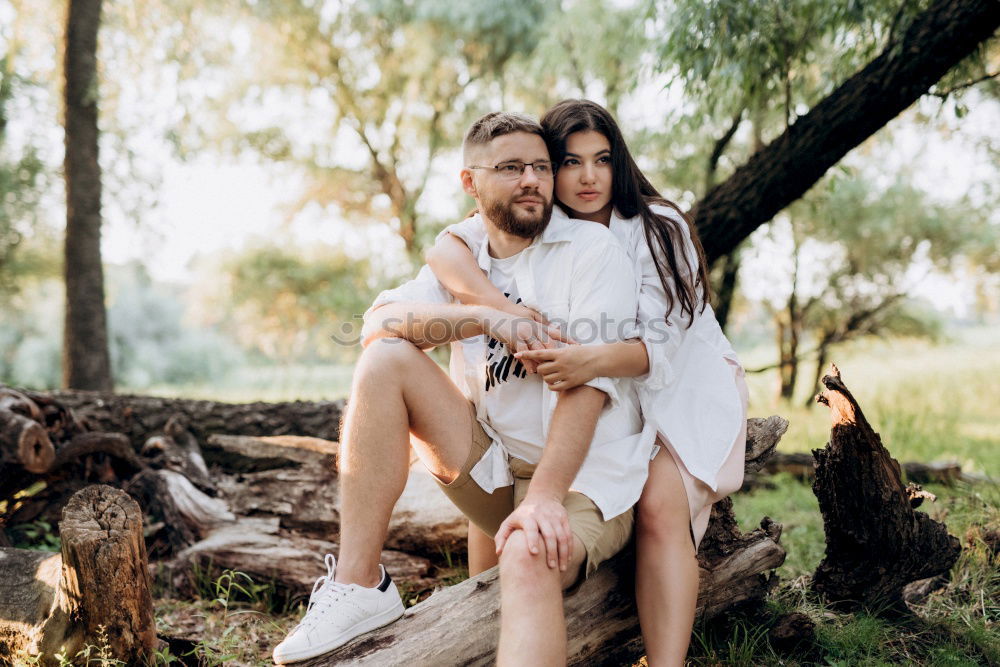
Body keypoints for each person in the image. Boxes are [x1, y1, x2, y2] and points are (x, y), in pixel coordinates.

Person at [272, 111, 649, 665]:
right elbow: (377, 324)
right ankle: (360, 586)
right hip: (494, 466)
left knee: (529, 551)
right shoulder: (465, 250)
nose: (532, 180)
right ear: (471, 182)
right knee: (385, 361)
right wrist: (482, 318)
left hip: (582, 476)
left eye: (541, 167)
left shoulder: (591, 251)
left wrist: (544, 499)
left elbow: (587, 388)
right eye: (512, 167)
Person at [424, 99, 748, 666]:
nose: (589, 177)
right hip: (605, 394)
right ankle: (484, 626)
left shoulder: (655, 226)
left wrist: (588, 363)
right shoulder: (538, 224)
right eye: (570, 163)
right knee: (498, 464)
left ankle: (666, 662)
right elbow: (445, 247)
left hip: (680, 387)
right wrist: (500, 311)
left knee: (658, 504)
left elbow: (661, 348)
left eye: (602, 160)